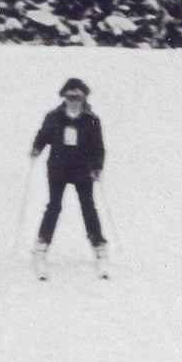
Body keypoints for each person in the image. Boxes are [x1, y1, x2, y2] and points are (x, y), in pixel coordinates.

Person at [30, 78, 108, 276]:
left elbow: (98, 147)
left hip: (82, 169)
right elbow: (44, 134)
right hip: (58, 168)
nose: (73, 101)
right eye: (69, 97)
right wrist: (37, 147)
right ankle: (42, 243)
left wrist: (97, 166)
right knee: (54, 205)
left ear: (83, 98)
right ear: (64, 98)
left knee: (88, 206)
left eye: (77, 97)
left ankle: (98, 244)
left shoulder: (91, 120)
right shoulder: (54, 117)